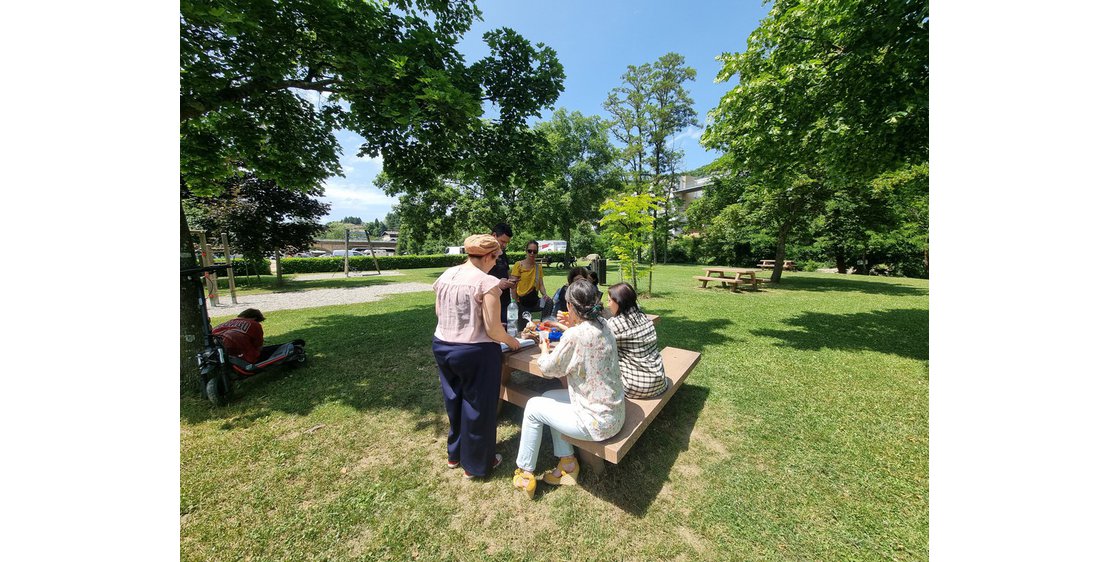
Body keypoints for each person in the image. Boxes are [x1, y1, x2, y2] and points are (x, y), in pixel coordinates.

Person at [512, 279, 625, 499]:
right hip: (613, 413)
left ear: (571, 307)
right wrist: (565, 326)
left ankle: (525, 474)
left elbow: (548, 368)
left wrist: (544, 348)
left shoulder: (575, 335)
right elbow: (581, 339)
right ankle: (568, 463)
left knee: (534, 406)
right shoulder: (603, 324)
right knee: (548, 397)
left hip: (597, 422)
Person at [432, 234, 522, 479]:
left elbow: (440, 312)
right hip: (475, 351)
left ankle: (455, 454)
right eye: (496, 257)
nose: (497, 262)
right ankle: (477, 464)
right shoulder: (487, 282)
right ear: (489, 256)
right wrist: (512, 341)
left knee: (455, 400)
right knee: (479, 406)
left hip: (443, 345)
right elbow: (493, 329)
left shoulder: (446, 275)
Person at [605, 283, 668, 399]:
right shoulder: (643, 317)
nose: (607, 305)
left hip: (636, 387)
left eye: (609, 301)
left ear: (618, 302)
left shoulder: (615, 324)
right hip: (659, 381)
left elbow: (595, 341)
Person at [211, 308, 303, 364]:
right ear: (255, 318)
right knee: (267, 351)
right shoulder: (253, 324)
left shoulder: (226, 323)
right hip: (241, 354)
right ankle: (289, 347)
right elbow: (259, 347)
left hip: (217, 349)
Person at [509, 240, 551, 321]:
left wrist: (545, 294)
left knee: (549, 302)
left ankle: (544, 324)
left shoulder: (538, 267)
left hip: (534, 299)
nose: (532, 253)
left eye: (534, 251)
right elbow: (513, 286)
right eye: (529, 251)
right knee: (525, 327)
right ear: (526, 251)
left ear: (537, 253)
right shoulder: (519, 265)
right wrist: (514, 302)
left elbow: (541, 284)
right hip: (522, 301)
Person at [489, 223, 518, 326]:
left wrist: (511, 280)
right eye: (502, 241)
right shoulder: (483, 254)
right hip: (491, 301)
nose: (504, 245)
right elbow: (478, 277)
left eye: (507, 242)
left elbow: (506, 271)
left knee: (506, 329)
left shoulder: (502, 253)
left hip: (505, 301)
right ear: (494, 236)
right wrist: (497, 283)